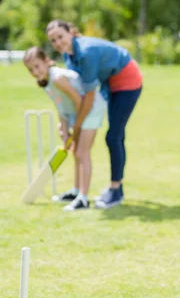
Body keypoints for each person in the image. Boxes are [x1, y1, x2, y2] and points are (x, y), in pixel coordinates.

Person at [46, 20, 143, 209]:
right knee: (115, 136)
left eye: (60, 37)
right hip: (110, 82)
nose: (58, 42)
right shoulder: (69, 55)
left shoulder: (86, 52)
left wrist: (78, 125)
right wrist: (66, 123)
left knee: (114, 136)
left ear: (70, 33)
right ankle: (88, 190)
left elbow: (88, 97)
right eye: (53, 40)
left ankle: (116, 190)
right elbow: (78, 91)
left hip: (127, 80)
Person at [23, 47, 106, 211]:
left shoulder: (58, 78)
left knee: (83, 152)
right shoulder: (46, 82)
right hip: (77, 112)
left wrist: (76, 127)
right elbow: (61, 106)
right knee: (75, 152)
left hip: (90, 108)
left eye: (37, 66)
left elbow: (80, 100)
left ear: (47, 61)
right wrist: (64, 127)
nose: (35, 71)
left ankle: (83, 198)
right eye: (31, 69)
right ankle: (76, 191)